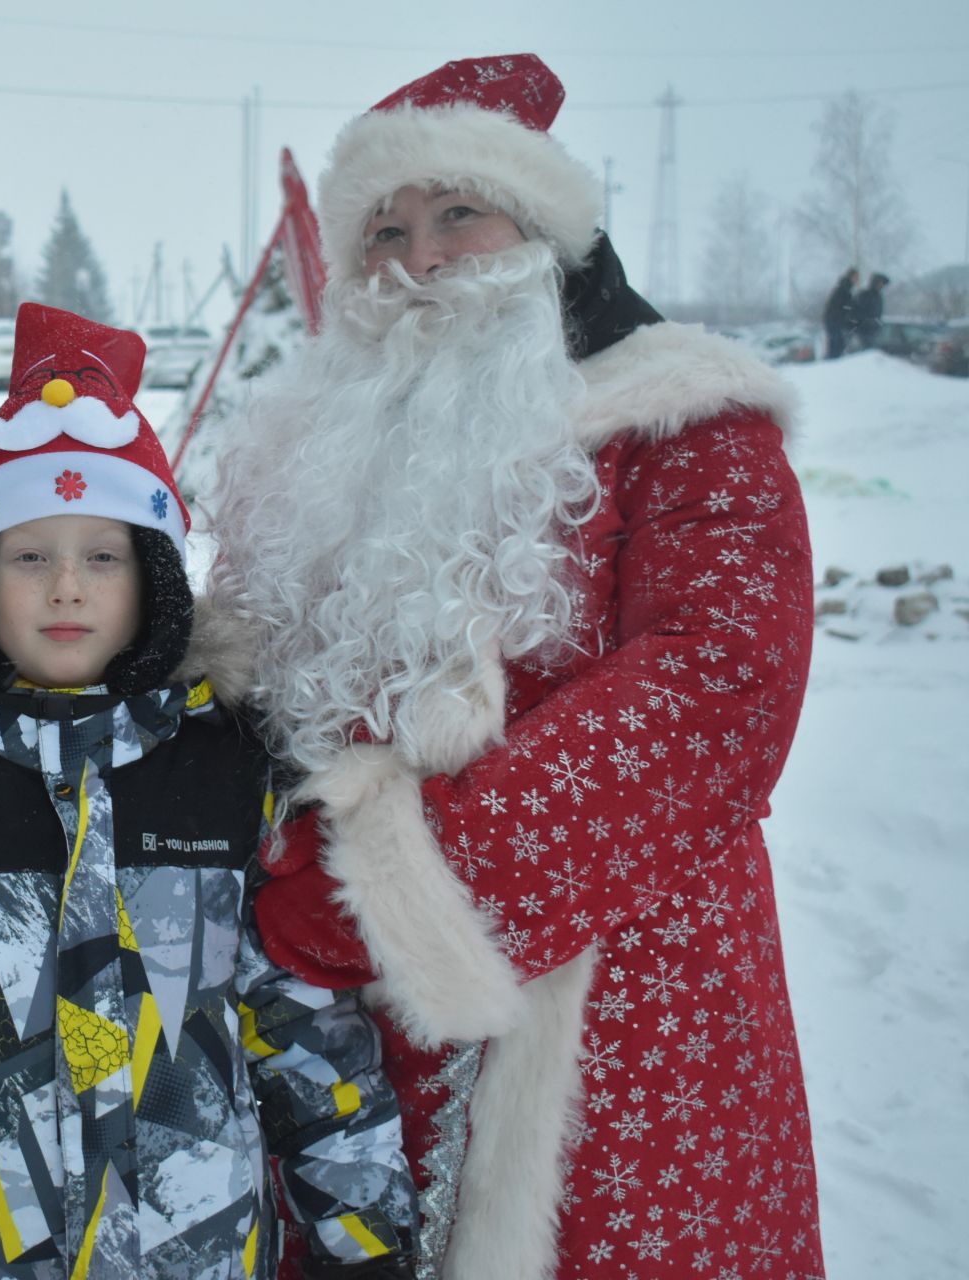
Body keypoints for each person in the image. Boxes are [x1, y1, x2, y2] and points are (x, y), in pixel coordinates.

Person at [207, 55, 824, 1280]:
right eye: (383, 230)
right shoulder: (317, 457)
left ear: (543, 231)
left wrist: (381, 891)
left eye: (456, 216)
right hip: (335, 1035)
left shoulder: (687, 424)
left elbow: (718, 687)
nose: (419, 259)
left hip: (615, 1031)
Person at [0, 303, 419, 1278]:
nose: (66, 585)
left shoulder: (230, 776)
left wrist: (362, 1242)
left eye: (101, 556)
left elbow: (309, 1032)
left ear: (151, 577)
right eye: (31, 556)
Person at [823, 266, 859, 357]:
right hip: (835, 321)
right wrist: (845, 317)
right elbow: (839, 307)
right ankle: (832, 365)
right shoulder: (844, 289)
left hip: (835, 321)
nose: (857, 280)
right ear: (851, 276)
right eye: (856, 277)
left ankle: (832, 363)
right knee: (836, 346)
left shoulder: (844, 289)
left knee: (837, 345)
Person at [854, 271, 890, 349]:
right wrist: (867, 322)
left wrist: (877, 324)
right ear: (875, 282)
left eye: (883, 283)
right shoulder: (864, 295)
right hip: (863, 331)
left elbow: (878, 313)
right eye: (881, 283)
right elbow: (857, 312)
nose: (882, 285)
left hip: (874, 331)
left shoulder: (878, 297)